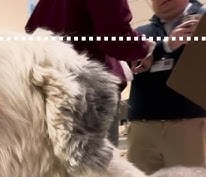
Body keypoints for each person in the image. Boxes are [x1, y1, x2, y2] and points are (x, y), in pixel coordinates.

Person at [126, 0, 206, 175]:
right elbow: (121, 67)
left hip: (188, 127)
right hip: (142, 130)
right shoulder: (140, 33)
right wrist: (165, 46)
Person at [25, 0, 156, 147]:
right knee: (97, 165)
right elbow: (115, 36)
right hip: (90, 95)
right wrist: (144, 49)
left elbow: (32, 32)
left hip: (50, 95)